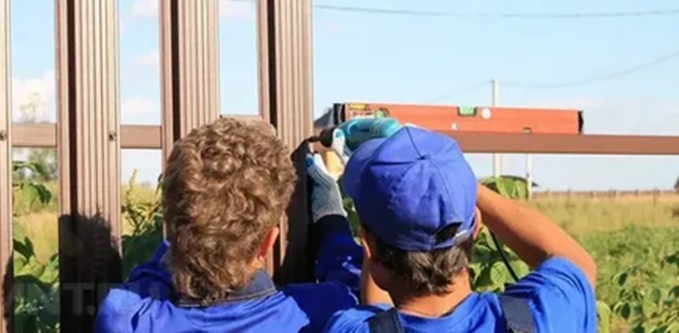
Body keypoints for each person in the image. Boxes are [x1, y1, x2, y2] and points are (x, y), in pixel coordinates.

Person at [95, 117, 364, 332]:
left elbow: (152, 274)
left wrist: (190, 223)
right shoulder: (321, 312)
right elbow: (356, 280)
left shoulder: (128, 318)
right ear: (268, 242)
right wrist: (329, 213)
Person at [324, 125, 598, 333]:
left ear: (368, 247)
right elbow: (577, 264)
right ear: (476, 224)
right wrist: (457, 186)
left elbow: (381, 315)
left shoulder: (348, 329)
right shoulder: (546, 315)